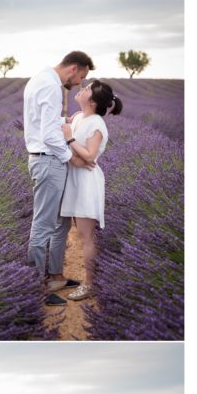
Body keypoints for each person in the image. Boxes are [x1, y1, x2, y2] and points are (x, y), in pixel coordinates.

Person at [23, 51, 95, 307]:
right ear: (73, 68)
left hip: (48, 159)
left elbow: (49, 122)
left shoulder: (42, 79)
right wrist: (71, 158)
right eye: (81, 77)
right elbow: (50, 134)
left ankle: (56, 276)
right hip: (48, 160)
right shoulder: (51, 86)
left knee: (61, 222)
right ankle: (35, 288)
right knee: (43, 224)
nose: (78, 83)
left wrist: (71, 122)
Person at [60, 80, 123, 300]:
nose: (82, 89)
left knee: (86, 237)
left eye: (87, 89)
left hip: (87, 182)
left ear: (93, 102)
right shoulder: (79, 117)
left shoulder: (97, 123)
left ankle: (89, 284)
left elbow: (89, 155)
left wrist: (68, 137)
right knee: (80, 233)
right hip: (74, 179)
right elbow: (63, 126)